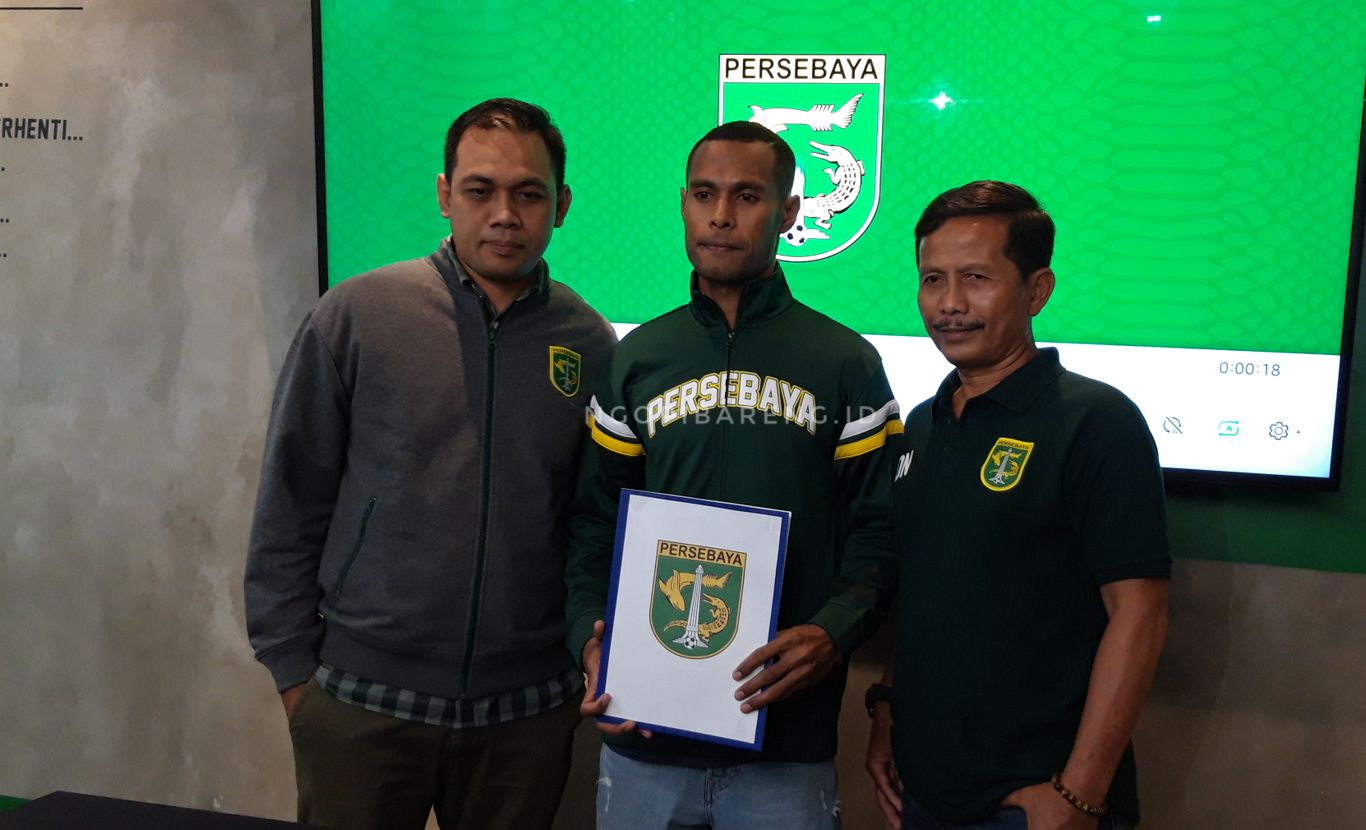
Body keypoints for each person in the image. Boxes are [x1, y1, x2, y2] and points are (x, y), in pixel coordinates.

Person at [244, 98, 616, 830]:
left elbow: (588, 521)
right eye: (480, 190)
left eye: (529, 193)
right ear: (445, 194)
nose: (504, 214)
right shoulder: (357, 315)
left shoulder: (591, 343)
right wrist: (295, 675)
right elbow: (291, 498)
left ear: (561, 205)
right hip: (360, 703)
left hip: (527, 714)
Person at [563, 121, 901, 830]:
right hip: (645, 741)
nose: (721, 216)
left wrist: (832, 633)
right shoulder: (637, 358)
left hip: (787, 746)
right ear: (683, 203)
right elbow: (595, 523)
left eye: (748, 196)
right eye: (706, 195)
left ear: (789, 214)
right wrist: (590, 642)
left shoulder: (846, 362)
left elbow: (879, 533)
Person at [865, 181, 1170, 830]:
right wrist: (886, 712)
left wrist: (1080, 794)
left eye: (976, 278)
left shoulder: (1096, 422)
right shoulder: (922, 425)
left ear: (1036, 290)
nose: (949, 304)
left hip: (1035, 803)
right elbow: (926, 592)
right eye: (932, 279)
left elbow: (1139, 614)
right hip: (922, 794)